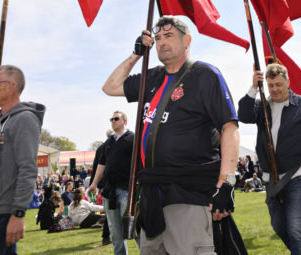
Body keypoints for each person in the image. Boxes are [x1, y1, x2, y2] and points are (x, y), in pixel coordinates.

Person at [102, 16, 240, 255]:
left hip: (188, 191)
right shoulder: (151, 76)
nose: (161, 43)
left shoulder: (205, 75)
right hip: (152, 197)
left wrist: (226, 183)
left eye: (168, 36)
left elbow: (229, 128)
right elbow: (110, 87)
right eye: (157, 39)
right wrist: (136, 55)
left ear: (187, 40)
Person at [238, 63, 301, 255]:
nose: (275, 89)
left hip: (298, 173)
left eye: (278, 84)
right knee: (279, 226)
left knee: (296, 228)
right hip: (271, 177)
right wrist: (254, 87)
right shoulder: (262, 105)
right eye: (270, 85)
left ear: (287, 81)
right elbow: (243, 115)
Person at [0, 65, 45, 254]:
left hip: (0, 213)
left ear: (10, 85)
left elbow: (28, 169)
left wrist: (18, 214)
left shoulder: (24, 119)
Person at [88, 112, 136, 255]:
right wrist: (94, 183)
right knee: (115, 231)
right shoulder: (108, 143)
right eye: (111, 119)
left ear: (124, 121)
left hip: (127, 190)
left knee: (135, 228)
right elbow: (101, 164)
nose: (113, 121)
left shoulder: (133, 138)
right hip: (109, 192)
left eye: (116, 119)